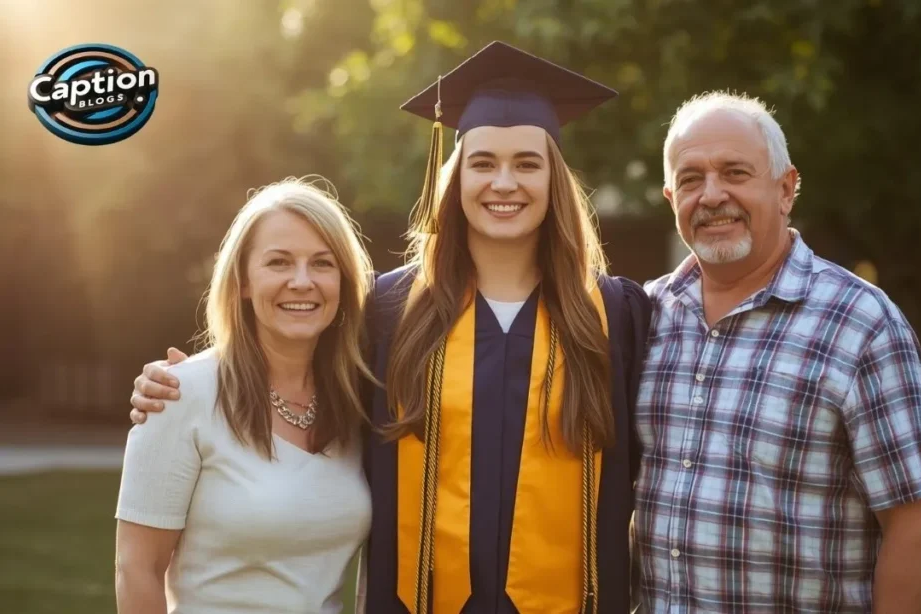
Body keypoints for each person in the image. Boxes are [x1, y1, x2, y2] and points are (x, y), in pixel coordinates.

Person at [125, 41, 651, 614]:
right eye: (482, 162)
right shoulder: (389, 309)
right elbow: (290, 350)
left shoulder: (613, 316)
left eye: (527, 162)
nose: (504, 182)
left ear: (556, 180)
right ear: (453, 177)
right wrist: (182, 383)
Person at [631, 91, 921, 613]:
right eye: (691, 179)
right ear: (670, 198)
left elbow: (915, 519)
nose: (711, 195)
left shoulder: (861, 322)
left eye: (735, 173)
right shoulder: (644, 315)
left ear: (785, 188)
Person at [114, 177, 374, 614]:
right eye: (278, 262)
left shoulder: (357, 402)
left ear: (344, 283)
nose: (302, 281)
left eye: (323, 263)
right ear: (244, 282)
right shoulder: (180, 394)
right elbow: (137, 568)